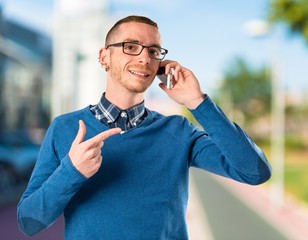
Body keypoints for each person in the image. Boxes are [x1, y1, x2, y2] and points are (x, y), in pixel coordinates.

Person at [17, 15, 272, 239]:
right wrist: (72, 171)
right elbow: (29, 223)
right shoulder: (65, 128)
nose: (144, 58)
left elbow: (255, 171)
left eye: (153, 51)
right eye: (131, 47)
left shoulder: (178, 131)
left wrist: (198, 102)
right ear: (104, 57)